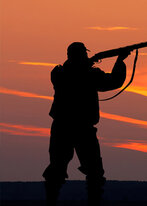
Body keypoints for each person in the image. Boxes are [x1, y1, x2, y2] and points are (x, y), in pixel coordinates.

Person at [43, 42, 130, 206]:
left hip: (62, 128)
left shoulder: (59, 73)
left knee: (59, 169)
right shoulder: (82, 74)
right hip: (82, 129)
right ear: (81, 56)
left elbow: (79, 75)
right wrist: (120, 60)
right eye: (84, 55)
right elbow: (114, 81)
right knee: (92, 171)